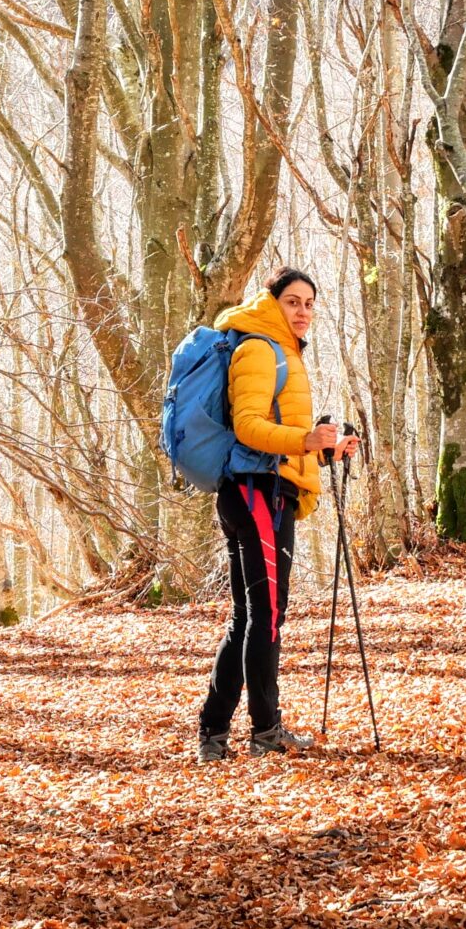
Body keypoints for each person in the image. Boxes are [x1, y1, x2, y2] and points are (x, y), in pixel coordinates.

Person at [197, 267, 358, 762]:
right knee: (265, 615)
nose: (303, 311)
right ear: (273, 303)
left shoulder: (282, 351)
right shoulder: (257, 348)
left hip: (264, 490)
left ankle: (214, 734)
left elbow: (281, 439)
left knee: (252, 614)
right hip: (254, 493)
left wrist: (326, 452)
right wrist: (305, 440)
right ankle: (265, 732)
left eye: (310, 303)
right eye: (293, 302)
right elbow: (248, 427)